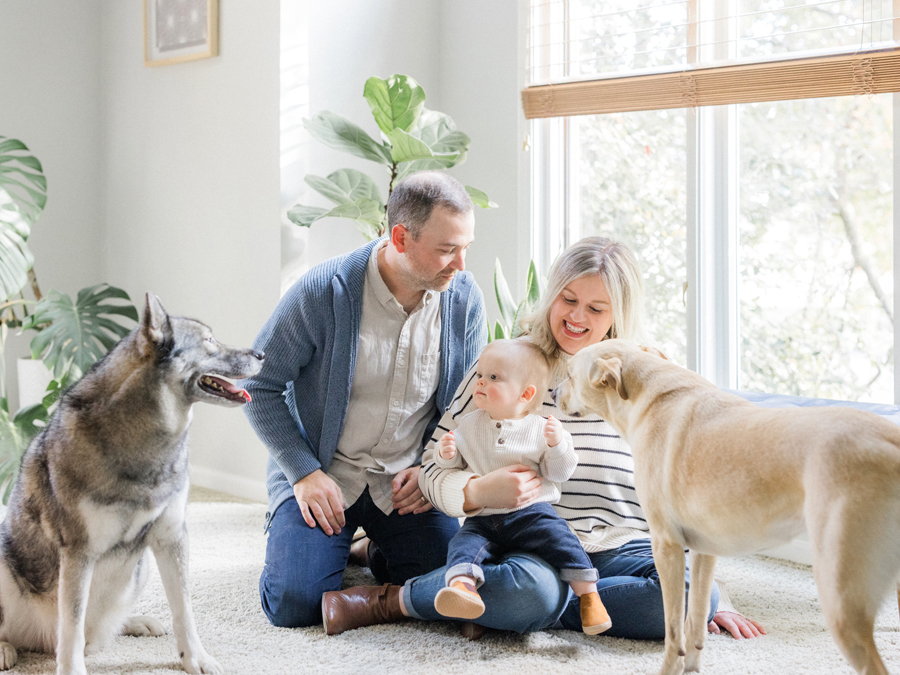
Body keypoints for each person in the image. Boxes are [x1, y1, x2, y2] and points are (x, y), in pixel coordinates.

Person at [320, 236, 768, 641]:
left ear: (620, 315)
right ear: (552, 295)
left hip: (628, 543)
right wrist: (474, 491)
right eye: (568, 299)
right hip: (531, 542)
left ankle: (532, 608)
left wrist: (715, 598)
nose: (576, 317)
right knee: (530, 589)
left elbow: (685, 489)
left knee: (694, 598)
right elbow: (437, 464)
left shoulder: (648, 377)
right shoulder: (508, 364)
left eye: (596, 309)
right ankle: (393, 600)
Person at [242, 170, 487, 628]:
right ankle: (299, 545)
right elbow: (258, 385)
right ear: (400, 237)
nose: (461, 265)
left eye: (466, 247)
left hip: (404, 483)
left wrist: (433, 467)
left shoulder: (463, 299)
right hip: (325, 475)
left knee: (445, 588)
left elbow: (468, 402)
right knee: (295, 603)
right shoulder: (323, 291)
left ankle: (369, 550)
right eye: (447, 249)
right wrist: (303, 472)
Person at [432, 339, 610, 635]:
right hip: (483, 519)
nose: (480, 383)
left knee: (563, 541)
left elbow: (561, 472)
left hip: (531, 513)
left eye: (493, 378)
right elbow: (451, 466)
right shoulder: (468, 424)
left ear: (525, 394)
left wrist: (557, 445)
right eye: (479, 376)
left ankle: (589, 597)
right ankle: (463, 591)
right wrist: (446, 453)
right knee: (462, 545)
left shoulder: (541, 428)